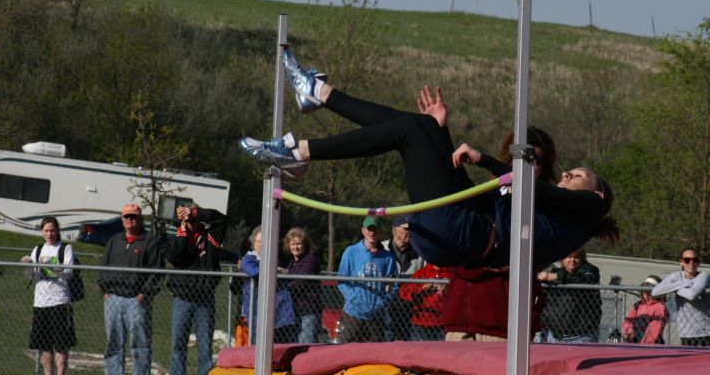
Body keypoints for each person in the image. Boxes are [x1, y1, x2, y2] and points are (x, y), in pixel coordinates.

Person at [240, 47, 618, 270]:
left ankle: (299, 151)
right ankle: (318, 93)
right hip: (459, 227)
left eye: (580, 174)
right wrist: (442, 135)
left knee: (412, 131)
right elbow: (478, 189)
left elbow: (526, 185)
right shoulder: (543, 210)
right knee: (420, 125)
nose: (569, 172)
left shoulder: (587, 210)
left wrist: (484, 157)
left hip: (463, 236)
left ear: (597, 194)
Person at [443, 127, 555, 342]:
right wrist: (439, 130)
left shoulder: (544, 208)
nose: (526, 164)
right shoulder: (484, 194)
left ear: (545, 166)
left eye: (536, 160)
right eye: (518, 156)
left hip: (503, 324)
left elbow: (522, 257)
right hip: (460, 318)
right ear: (507, 156)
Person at [97, 203, 163, 375]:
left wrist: (144, 294)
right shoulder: (114, 240)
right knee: (113, 343)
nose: (129, 220)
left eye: (133, 217)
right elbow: (103, 267)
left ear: (140, 219)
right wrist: (105, 291)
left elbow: (157, 271)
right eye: (126, 216)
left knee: (140, 344)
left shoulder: (149, 241)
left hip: (137, 300)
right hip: (113, 298)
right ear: (122, 218)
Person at [165, 205, 227, 375]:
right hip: (182, 298)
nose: (190, 224)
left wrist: (194, 212)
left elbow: (221, 219)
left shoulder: (211, 236)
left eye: (192, 220)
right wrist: (183, 236)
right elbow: (174, 258)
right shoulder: (179, 238)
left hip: (204, 298)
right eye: (186, 221)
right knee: (178, 343)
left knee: (204, 346)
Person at [22, 217, 76, 375]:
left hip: (59, 301)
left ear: (57, 231)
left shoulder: (65, 248)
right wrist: (28, 265)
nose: (49, 234)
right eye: (46, 231)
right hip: (41, 302)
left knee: (60, 343)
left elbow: (68, 272)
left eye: (52, 230)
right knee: (44, 344)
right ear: (42, 232)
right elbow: (30, 276)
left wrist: (52, 266)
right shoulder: (38, 249)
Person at [336, 217, 397, 343]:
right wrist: (352, 297)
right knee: (345, 352)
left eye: (375, 229)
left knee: (374, 356)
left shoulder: (388, 257)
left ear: (380, 232)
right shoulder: (351, 252)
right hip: (353, 314)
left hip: (376, 317)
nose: (372, 233)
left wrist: (383, 302)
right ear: (363, 231)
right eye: (369, 229)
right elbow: (342, 280)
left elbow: (394, 284)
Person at [240, 226, 295, 344]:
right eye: (259, 241)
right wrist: (276, 270)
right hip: (258, 312)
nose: (263, 244)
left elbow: (286, 272)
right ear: (253, 243)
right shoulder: (248, 259)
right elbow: (255, 272)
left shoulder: (273, 259)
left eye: (266, 241)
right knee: (259, 344)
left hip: (280, 313)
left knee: (281, 347)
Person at [539, 248, 602, 343]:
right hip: (555, 335)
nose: (572, 260)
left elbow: (585, 280)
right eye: (569, 257)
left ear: (582, 259)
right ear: (562, 259)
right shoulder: (558, 272)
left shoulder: (590, 270)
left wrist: (554, 277)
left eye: (576, 257)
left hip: (582, 335)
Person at [651, 248, 710, 346]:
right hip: (686, 333)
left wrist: (673, 288)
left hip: (706, 331)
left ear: (699, 263)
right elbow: (655, 292)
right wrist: (686, 283)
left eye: (695, 260)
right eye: (687, 260)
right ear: (681, 262)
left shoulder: (703, 276)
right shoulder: (676, 276)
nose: (691, 263)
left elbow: (692, 295)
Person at [382, 216, 424, 341]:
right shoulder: (382, 248)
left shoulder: (419, 251)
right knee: (387, 340)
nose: (409, 232)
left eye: (411, 229)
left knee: (407, 342)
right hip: (386, 305)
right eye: (405, 229)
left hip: (409, 307)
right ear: (394, 231)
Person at [283, 227, 322, 343]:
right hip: (292, 313)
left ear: (305, 245)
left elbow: (300, 281)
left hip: (307, 312)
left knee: (305, 346)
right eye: (293, 244)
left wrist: (282, 289)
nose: (296, 247)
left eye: (299, 244)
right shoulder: (291, 263)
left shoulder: (311, 260)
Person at [397, 262, 449, 340]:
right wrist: (422, 287)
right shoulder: (422, 272)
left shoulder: (450, 273)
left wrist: (448, 288)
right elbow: (403, 292)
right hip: (421, 324)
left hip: (442, 324)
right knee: (419, 351)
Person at [622, 275, 668, 344]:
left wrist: (643, 344)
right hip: (634, 340)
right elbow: (629, 319)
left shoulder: (660, 307)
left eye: (650, 291)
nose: (647, 293)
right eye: (645, 290)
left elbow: (654, 330)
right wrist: (628, 331)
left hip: (651, 344)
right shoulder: (638, 305)